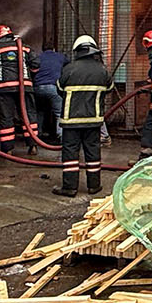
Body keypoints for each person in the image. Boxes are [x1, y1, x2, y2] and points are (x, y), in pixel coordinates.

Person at [56, 35, 112, 196]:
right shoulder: (102, 70)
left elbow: (59, 89)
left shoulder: (69, 68)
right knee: (93, 152)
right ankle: (94, 185)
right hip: (93, 121)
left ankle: (69, 187)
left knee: (70, 154)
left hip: (70, 120)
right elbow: (108, 89)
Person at [0, 25, 39, 153]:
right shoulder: (26, 47)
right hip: (25, 87)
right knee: (28, 115)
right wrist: (27, 75)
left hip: (4, 88)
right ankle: (33, 146)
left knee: (6, 117)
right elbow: (36, 66)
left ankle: (7, 149)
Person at [33, 41, 65, 145]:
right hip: (53, 88)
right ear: (54, 49)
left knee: (39, 112)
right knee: (59, 113)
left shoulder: (38, 57)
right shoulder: (60, 57)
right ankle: (61, 137)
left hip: (37, 88)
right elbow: (68, 63)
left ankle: (37, 136)